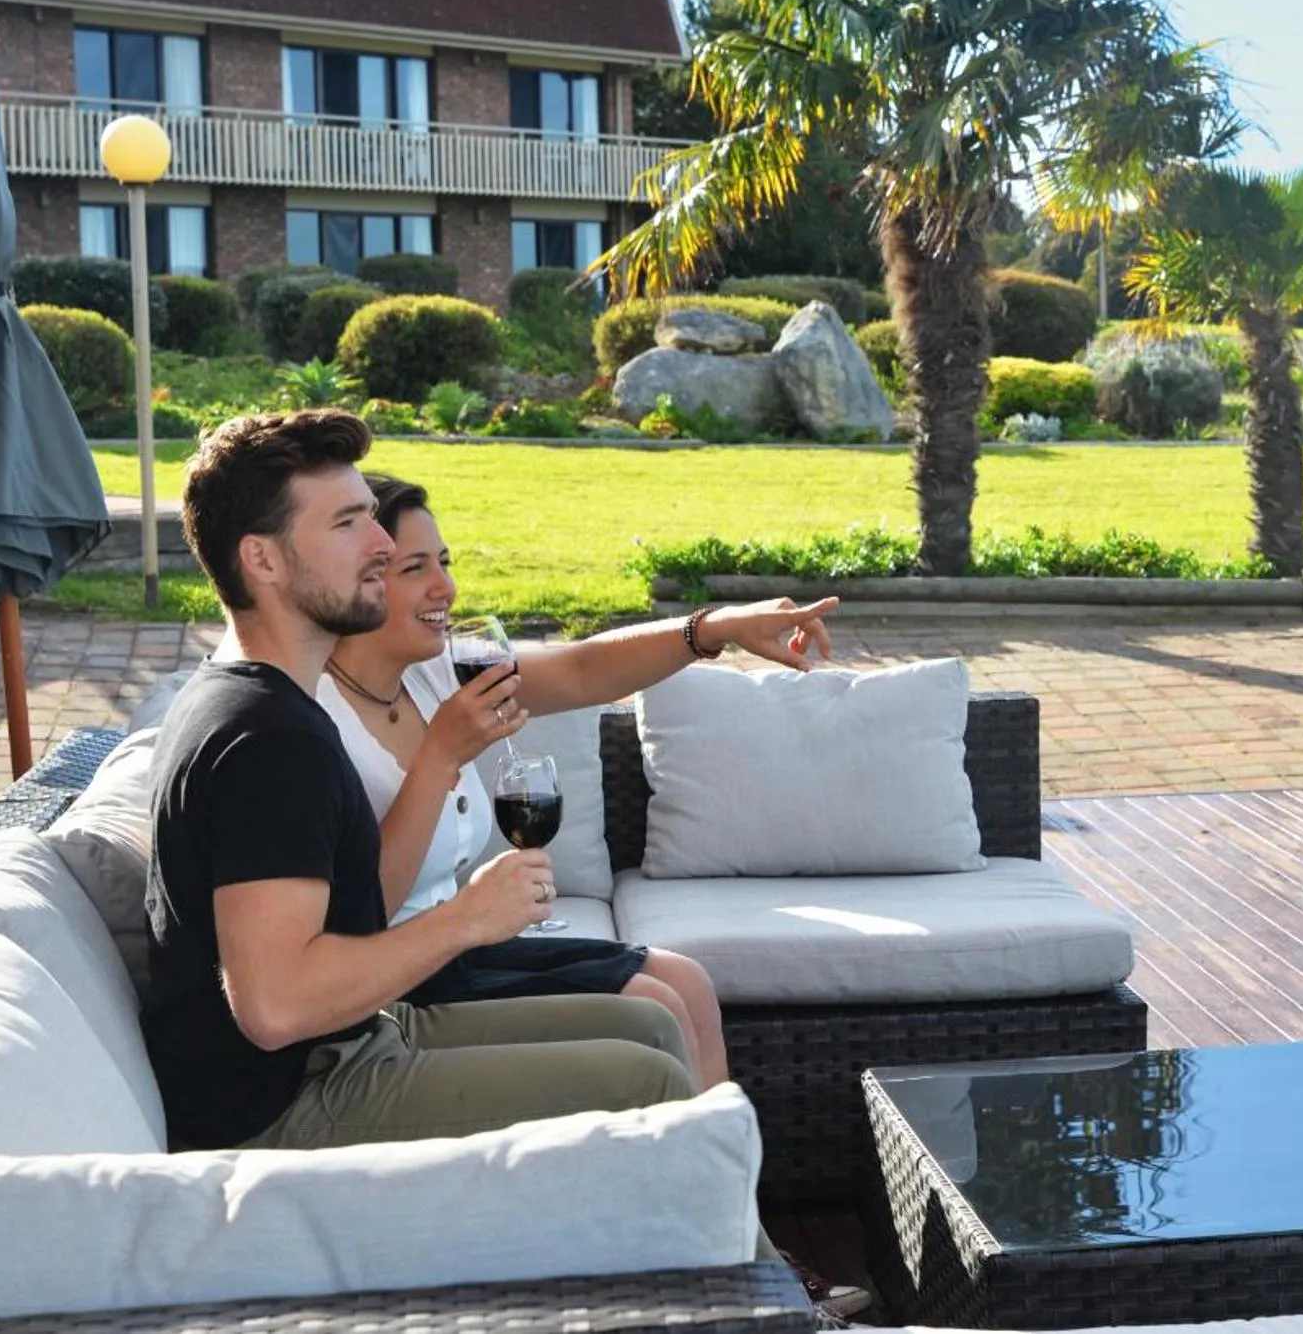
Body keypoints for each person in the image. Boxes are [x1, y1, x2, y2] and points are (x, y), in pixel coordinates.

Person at [142, 411, 722, 1155]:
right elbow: (276, 1006)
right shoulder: (268, 740)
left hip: (355, 1035)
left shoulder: (265, 699)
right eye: (349, 523)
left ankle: (730, 1255)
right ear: (264, 560)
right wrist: (468, 919)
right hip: (290, 1096)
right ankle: (735, 1273)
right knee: (646, 1080)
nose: (382, 544)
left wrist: (710, 630)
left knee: (653, 1025)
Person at [315, 474, 839, 1090]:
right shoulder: (320, 718)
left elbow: (583, 668)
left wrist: (712, 629)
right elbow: (361, 911)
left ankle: (718, 1178)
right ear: (364, 576)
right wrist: (441, 756)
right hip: (398, 975)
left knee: (689, 982)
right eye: (414, 568)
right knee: (656, 1005)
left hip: (455, 951)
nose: (445, 587)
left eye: (445, 562)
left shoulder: (431, 673)